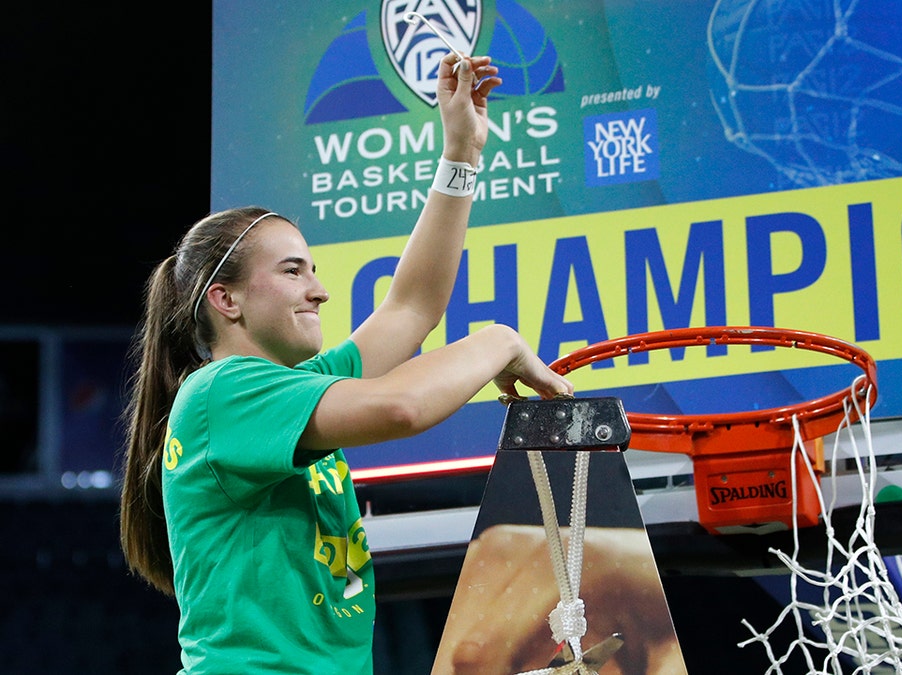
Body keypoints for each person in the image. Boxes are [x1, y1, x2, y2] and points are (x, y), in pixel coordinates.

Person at [118, 52, 573, 674]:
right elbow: (401, 405)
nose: (319, 290)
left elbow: (412, 307)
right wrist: (498, 340)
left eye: (314, 270)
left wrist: (462, 154)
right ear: (226, 301)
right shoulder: (222, 393)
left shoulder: (291, 391)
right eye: (291, 271)